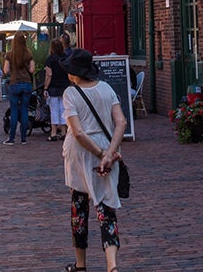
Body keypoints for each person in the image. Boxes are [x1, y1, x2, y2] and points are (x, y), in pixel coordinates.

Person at [62, 49, 126, 272]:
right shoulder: (107, 89)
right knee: (106, 207)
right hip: (107, 148)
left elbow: (78, 133)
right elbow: (121, 122)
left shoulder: (70, 94)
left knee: (79, 208)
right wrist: (110, 152)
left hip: (80, 153)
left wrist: (101, 154)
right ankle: (112, 265)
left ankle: (81, 264)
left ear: (74, 73)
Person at [2, 33, 35, 145]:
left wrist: (12, 71)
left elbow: (5, 70)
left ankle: (11, 138)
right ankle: (23, 138)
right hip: (26, 84)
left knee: (14, 110)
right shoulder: (28, 53)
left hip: (14, 83)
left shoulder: (10, 54)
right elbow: (32, 70)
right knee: (25, 110)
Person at [42, 35, 72, 142]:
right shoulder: (66, 58)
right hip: (65, 86)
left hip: (54, 87)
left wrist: (45, 88)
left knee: (54, 110)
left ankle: (54, 133)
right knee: (63, 109)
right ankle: (64, 132)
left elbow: (49, 75)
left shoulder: (50, 59)